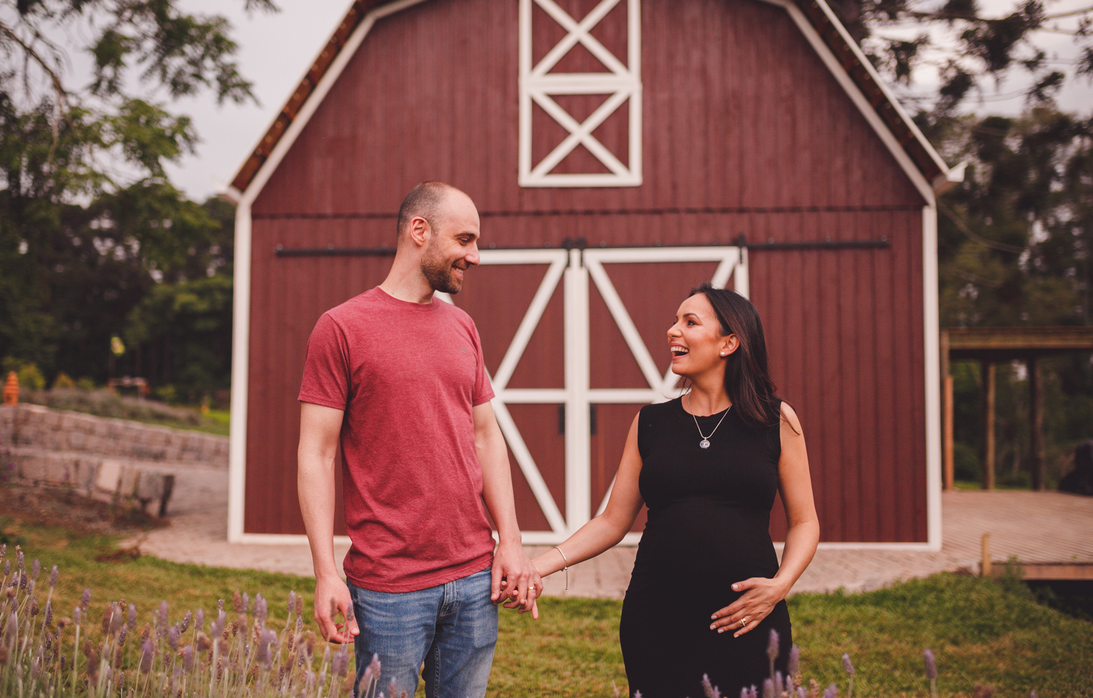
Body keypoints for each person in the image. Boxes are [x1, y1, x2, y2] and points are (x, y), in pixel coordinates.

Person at [298, 181, 543, 698]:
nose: (474, 256)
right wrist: (325, 572)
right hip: (389, 587)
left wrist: (512, 543)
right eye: (465, 240)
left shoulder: (463, 327)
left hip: (476, 580)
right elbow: (316, 454)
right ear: (419, 230)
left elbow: (486, 437)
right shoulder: (341, 328)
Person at [531, 284, 819, 698]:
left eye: (689, 322)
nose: (672, 331)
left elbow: (805, 521)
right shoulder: (650, 422)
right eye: (674, 320)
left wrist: (780, 585)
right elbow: (612, 521)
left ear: (729, 343)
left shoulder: (775, 420)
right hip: (656, 617)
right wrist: (537, 567)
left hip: (747, 618)